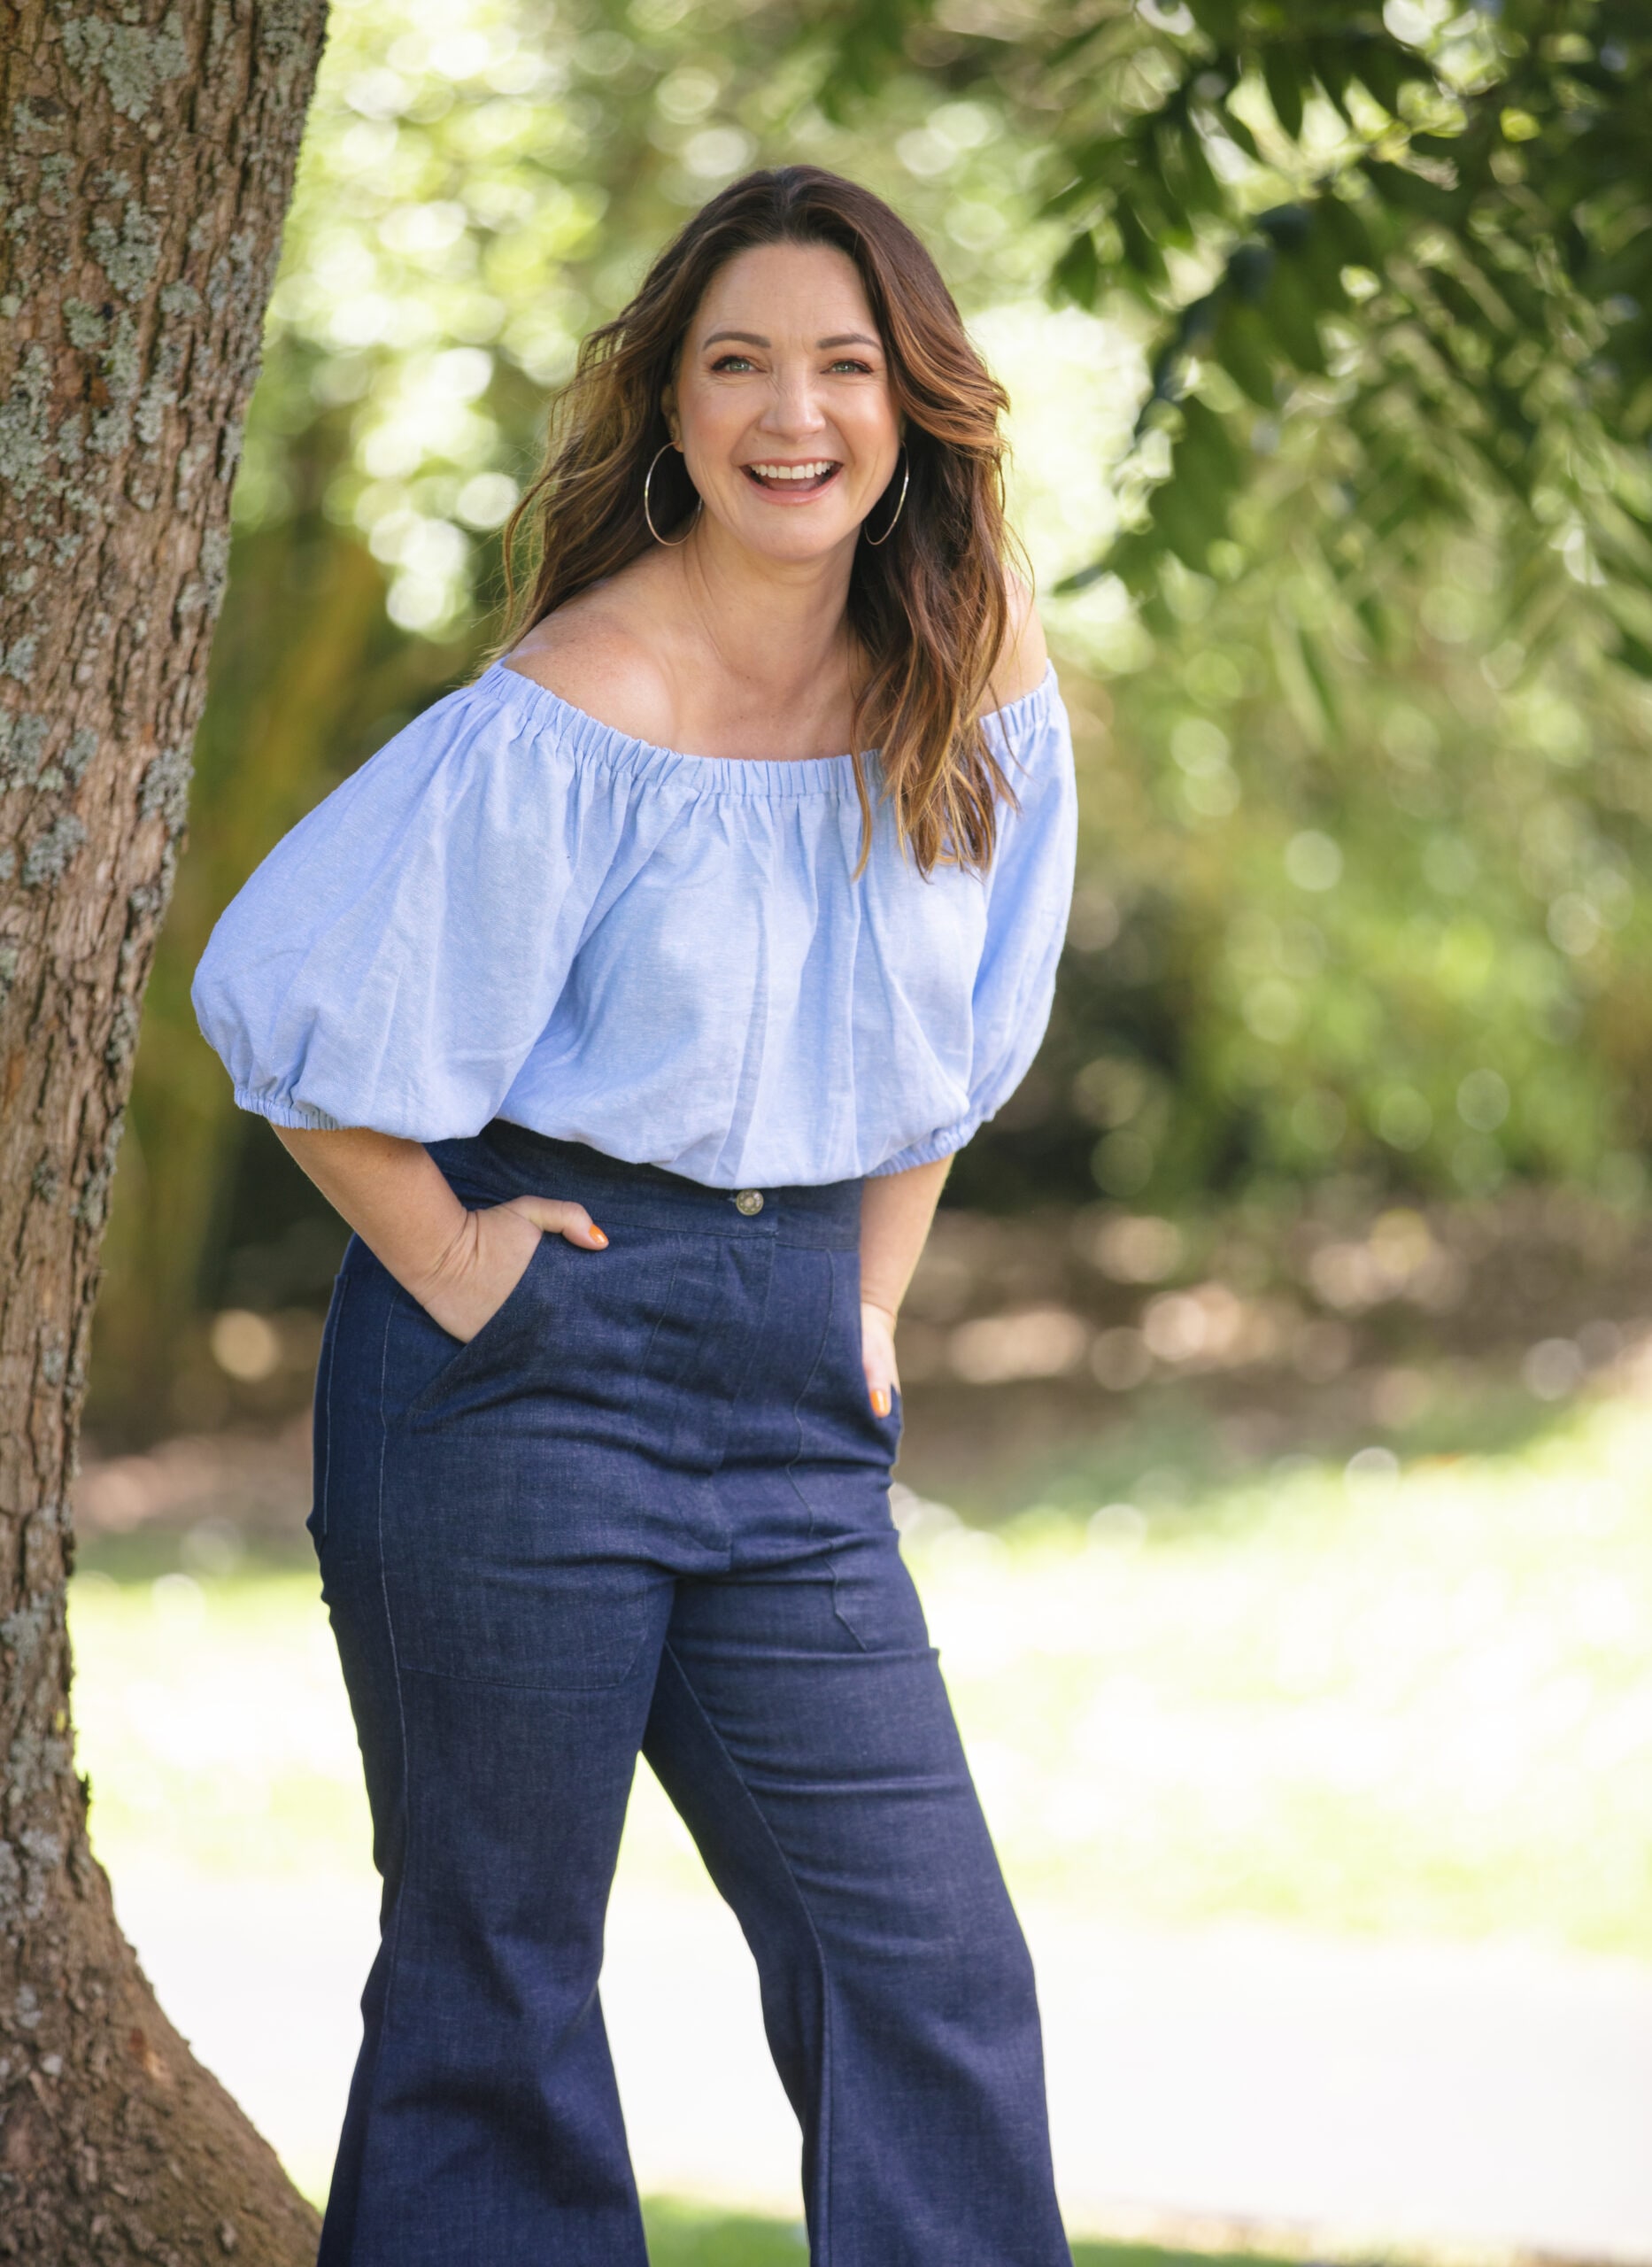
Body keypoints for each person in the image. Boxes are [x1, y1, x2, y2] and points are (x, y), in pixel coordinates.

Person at [193, 164, 1077, 2267]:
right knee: (496, 1979)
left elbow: (947, 1035)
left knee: (929, 1969)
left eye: (846, 366)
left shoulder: (967, 658)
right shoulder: (586, 696)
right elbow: (292, 1005)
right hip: (530, 1357)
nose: (797, 414)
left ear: (915, 402)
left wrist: (862, 1297)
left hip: (787, 1377)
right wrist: (461, 1263)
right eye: (741, 365)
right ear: (671, 409)